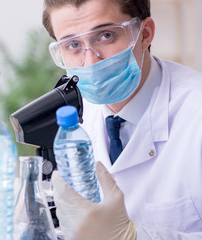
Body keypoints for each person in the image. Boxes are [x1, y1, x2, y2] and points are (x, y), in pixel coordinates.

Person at [42, 0, 202, 239]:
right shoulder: (72, 117)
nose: (91, 61)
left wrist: (133, 237)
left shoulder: (195, 112)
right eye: (73, 44)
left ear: (144, 34)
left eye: (106, 36)